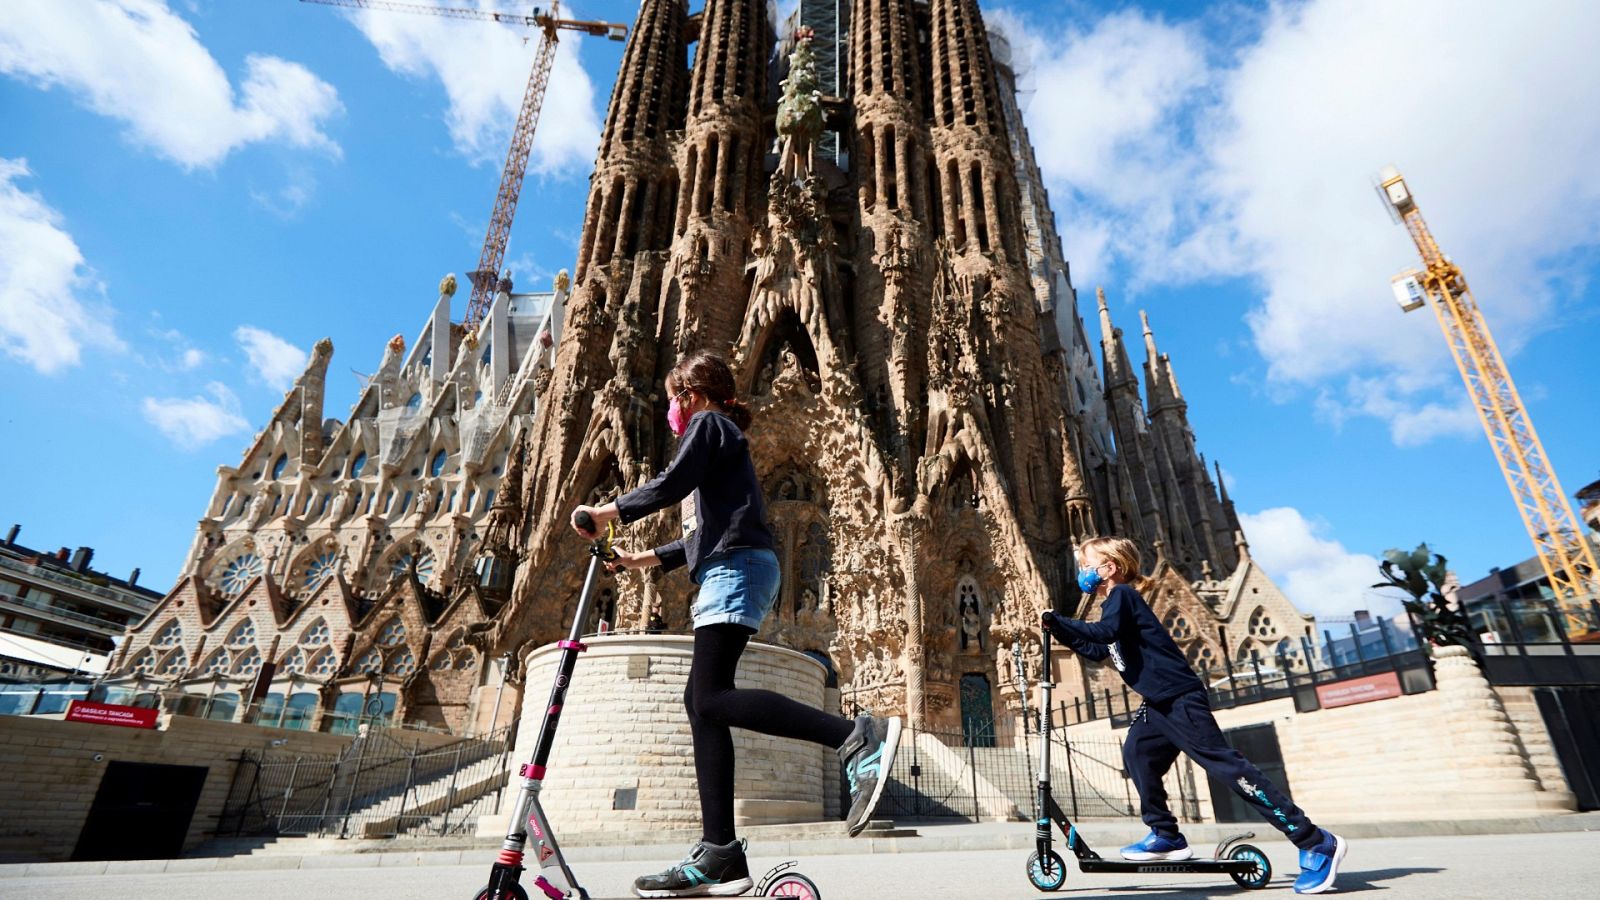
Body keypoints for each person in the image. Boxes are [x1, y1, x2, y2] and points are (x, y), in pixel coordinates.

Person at [572, 350, 901, 899]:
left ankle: (854, 735)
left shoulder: (709, 424)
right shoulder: (718, 444)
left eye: (676, 398)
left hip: (739, 569)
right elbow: (697, 538)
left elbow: (671, 484)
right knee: (701, 703)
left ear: (691, 395)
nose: (674, 412)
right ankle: (720, 852)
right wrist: (636, 561)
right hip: (731, 565)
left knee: (711, 697)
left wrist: (609, 512)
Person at [1042, 536, 1347, 895]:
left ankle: (1315, 842)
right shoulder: (1112, 605)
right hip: (1158, 703)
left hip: (1180, 698)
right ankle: (1166, 836)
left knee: (1229, 769)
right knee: (1138, 754)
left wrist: (1060, 619)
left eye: (1086, 564)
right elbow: (1097, 649)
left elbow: (1104, 633)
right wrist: (1059, 628)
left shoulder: (1123, 596)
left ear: (1109, 568)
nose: (1082, 572)